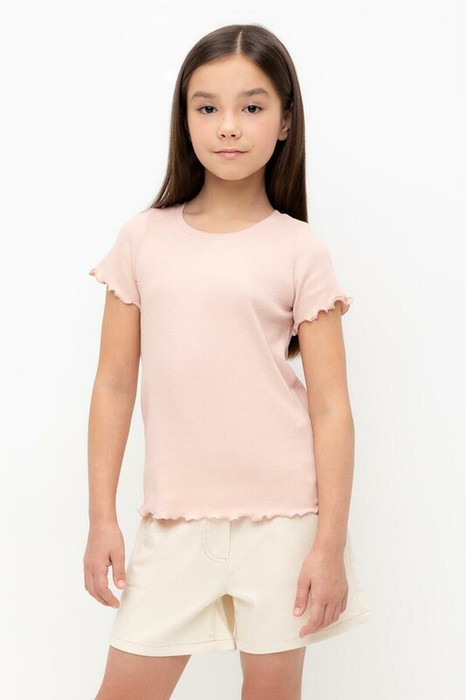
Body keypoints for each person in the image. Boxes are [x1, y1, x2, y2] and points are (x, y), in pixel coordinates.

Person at [84, 22, 372, 700]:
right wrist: (101, 518)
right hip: (174, 519)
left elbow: (331, 407)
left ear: (285, 121)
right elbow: (114, 385)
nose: (229, 126)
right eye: (207, 106)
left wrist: (329, 544)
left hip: (285, 522)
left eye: (252, 106)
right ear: (184, 119)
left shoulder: (300, 251)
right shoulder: (142, 239)